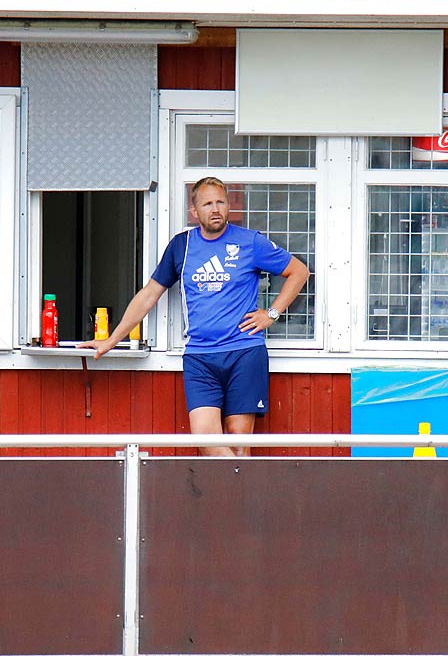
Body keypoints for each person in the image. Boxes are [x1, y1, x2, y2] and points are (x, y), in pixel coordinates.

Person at [94, 177, 310, 457]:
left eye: (221, 201)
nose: (216, 209)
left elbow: (299, 271)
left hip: (244, 351)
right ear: (194, 212)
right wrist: (112, 339)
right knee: (205, 438)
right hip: (199, 355)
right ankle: (243, 486)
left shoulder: (250, 242)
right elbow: (149, 294)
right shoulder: (181, 246)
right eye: (207, 203)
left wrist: (271, 313)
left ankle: (236, 495)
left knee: (238, 440)